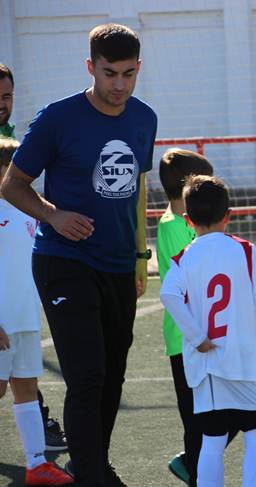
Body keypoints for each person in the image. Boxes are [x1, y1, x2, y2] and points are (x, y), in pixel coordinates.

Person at [0, 24, 157, 486]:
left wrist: (139, 256)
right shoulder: (57, 118)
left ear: (138, 68)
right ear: (91, 67)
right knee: (87, 374)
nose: (119, 84)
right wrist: (53, 215)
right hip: (63, 261)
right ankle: (90, 475)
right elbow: (12, 185)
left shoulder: (144, 118)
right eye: (109, 73)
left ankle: (92, 463)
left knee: (112, 376)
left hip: (118, 264)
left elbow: (138, 187)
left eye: (128, 74)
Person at [160, 175, 256, 487]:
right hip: (241, 361)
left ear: (188, 220)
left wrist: (197, 337)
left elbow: (168, 295)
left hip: (207, 364)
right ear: (228, 216)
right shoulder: (245, 251)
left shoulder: (184, 257)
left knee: (212, 441)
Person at [0, 61, 68, 452]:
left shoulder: (12, 137)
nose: (3, 103)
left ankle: (38, 444)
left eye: (7, 96)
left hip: (17, 295)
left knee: (23, 376)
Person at [0, 137, 73, 486]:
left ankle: (36, 465)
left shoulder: (34, 210)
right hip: (1, 321)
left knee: (26, 388)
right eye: (13, 168)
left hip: (25, 317)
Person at [155, 148, 218, 485]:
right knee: (198, 419)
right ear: (188, 188)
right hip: (188, 337)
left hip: (204, 332)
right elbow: (194, 280)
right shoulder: (175, 227)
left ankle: (193, 463)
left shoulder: (185, 223)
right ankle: (194, 467)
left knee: (220, 413)